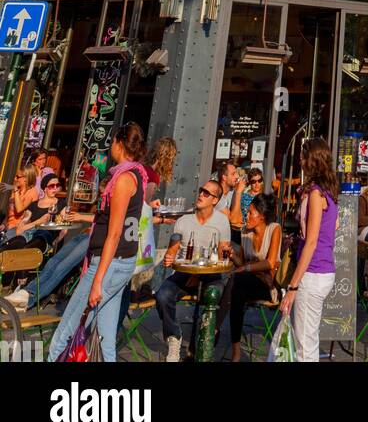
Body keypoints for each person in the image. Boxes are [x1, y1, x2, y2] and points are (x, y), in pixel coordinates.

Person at [48, 121, 148, 363]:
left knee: (66, 331)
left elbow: (113, 233)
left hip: (108, 263)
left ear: (120, 144)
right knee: (104, 337)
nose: (110, 147)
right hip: (121, 262)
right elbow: (111, 220)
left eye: (113, 141)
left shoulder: (123, 180)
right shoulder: (136, 175)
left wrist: (97, 280)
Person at [156, 177, 232, 361]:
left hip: (211, 274)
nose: (201, 195)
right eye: (201, 191)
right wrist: (169, 256)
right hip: (186, 272)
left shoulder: (222, 221)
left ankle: (205, 339)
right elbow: (173, 249)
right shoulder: (184, 220)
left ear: (215, 200)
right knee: (162, 295)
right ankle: (174, 337)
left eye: (207, 193)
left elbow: (223, 255)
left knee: (213, 295)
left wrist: (225, 253)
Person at [281, 137, 338, 362]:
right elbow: (332, 227)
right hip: (324, 269)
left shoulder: (316, 194)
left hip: (313, 272)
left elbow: (312, 241)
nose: (300, 162)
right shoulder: (330, 193)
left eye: (303, 157)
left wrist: (293, 286)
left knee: (305, 344)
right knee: (307, 339)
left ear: (312, 160)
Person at [226, 192, 281, 361]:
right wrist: (232, 255)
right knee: (236, 289)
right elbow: (240, 263)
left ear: (262, 216)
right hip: (246, 283)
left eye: (251, 212)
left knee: (236, 284)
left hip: (267, 285)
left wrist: (246, 268)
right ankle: (235, 351)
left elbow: (270, 263)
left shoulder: (274, 229)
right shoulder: (245, 232)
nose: (247, 215)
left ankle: (217, 330)